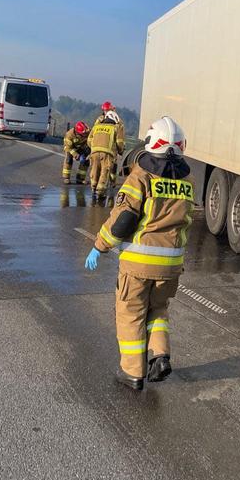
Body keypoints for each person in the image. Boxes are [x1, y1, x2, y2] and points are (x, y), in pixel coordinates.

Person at [84, 116, 193, 390]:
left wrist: (99, 245)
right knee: (158, 309)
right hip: (171, 265)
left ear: (151, 142)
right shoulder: (186, 181)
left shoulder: (141, 176)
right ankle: (160, 355)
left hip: (138, 264)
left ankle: (132, 373)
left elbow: (123, 220)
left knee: (131, 313)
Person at [87, 110, 124, 203]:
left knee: (94, 169)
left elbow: (89, 140)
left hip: (94, 152)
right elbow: (119, 142)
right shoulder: (115, 128)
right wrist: (120, 151)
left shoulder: (96, 126)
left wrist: (94, 147)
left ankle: (93, 188)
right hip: (107, 153)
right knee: (104, 171)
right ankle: (100, 191)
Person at [95, 101, 126, 187]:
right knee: (101, 165)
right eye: (105, 110)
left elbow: (121, 135)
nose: (106, 112)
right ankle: (99, 182)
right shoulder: (100, 119)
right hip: (103, 145)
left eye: (108, 110)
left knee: (113, 165)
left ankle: (112, 182)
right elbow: (95, 131)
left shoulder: (118, 121)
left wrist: (121, 146)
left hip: (113, 146)